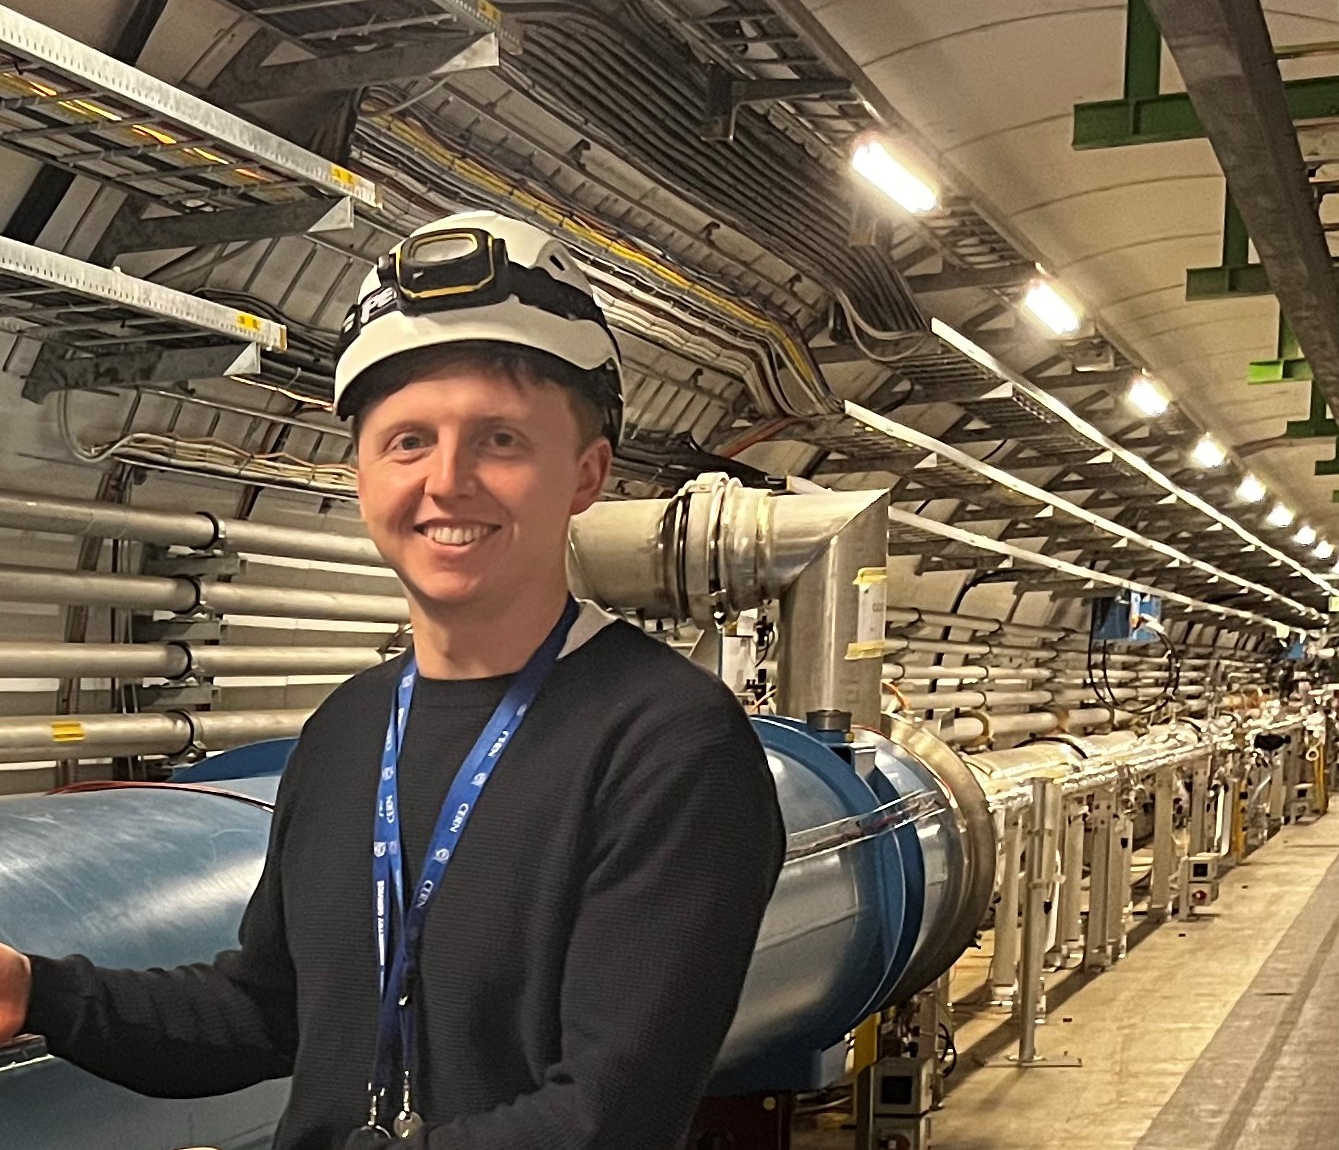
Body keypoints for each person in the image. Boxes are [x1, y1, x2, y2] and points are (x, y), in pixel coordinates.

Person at [0, 210, 788, 1149]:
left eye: (500, 440)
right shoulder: (350, 727)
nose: (447, 481)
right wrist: (38, 991)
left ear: (586, 473)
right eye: (409, 441)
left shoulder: (670, 745)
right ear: (363, 472)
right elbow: (269, 1011)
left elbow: (605, 1118)